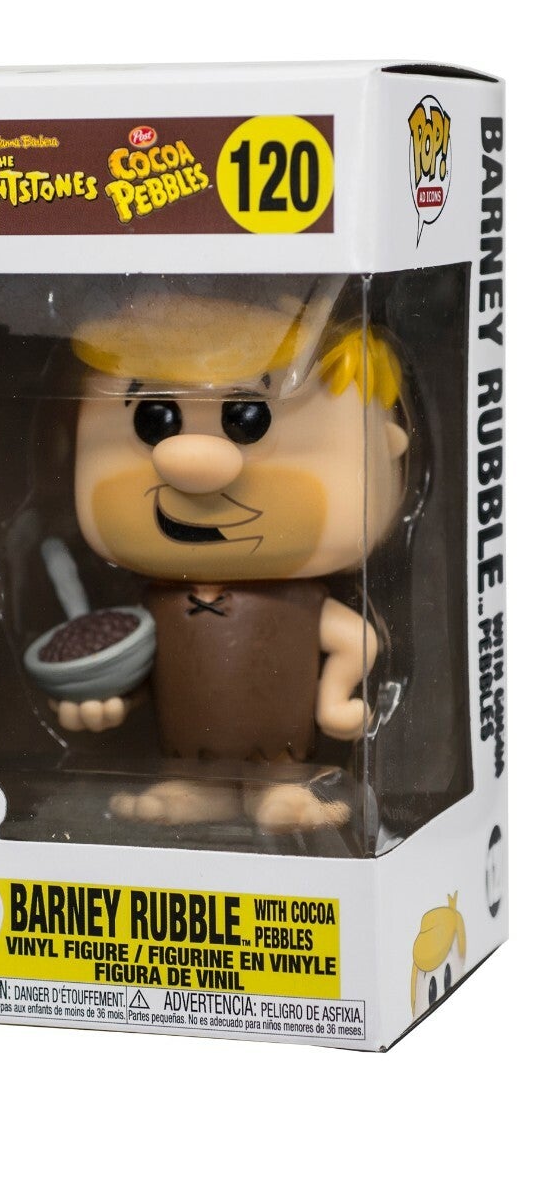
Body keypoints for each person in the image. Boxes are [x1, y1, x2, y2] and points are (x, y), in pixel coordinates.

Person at [59, 294, 408, 831]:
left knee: (282, 769)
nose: (191, 464)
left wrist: (335, 698)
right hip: (186, 748)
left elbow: (356, 639)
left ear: (387, 447)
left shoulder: (298, 601)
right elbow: (135, 662)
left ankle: (282, 788)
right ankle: (198, 789)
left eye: (246, 419)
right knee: (191, 771)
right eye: (156, 419)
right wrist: (106, 696)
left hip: (287, 748)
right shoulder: (158, 604)